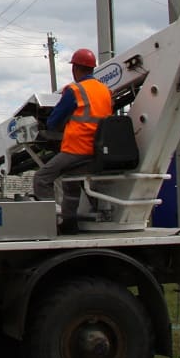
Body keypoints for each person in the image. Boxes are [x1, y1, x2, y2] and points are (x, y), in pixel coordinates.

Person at [32, 48, 112, 233]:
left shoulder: (74, 90)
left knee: (42, 177)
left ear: (75, 68)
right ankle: (69, 222)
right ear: (92, 69)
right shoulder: (105, 91)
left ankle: (48, 222)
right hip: (97, 150)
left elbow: (53, 122)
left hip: (77, 148)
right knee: (70, 179)